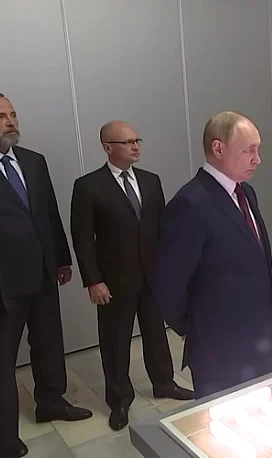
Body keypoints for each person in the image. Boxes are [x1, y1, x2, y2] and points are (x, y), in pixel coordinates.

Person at [70, 121, 194, 431]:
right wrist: (93, 280)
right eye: (127, 142)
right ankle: (119, 399)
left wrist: (169, 270)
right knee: (115, 341)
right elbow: (83, 239)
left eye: (137, 140)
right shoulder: (88, 186)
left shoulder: (151, 181)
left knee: (156, 334)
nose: (135, 146)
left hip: (152, 276)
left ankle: (164, 382)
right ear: (107, 147)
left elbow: (162, 228)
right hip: (113, 280)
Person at [153, 111, 272, 398]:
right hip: (219, 351)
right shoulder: (190, 204)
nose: (257, 159)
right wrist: (200, 328)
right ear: (218, 148)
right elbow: (168, 286)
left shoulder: (246, 193)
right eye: (249, 150)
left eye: (258, 150)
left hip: (259, 341)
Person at [0, 91, 92, 458]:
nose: (10, 122)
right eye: (0, 116)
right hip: (2, 283)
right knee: (0, 362)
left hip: (44, 273)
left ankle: (51, 401)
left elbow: (49, 213)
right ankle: (2, 437)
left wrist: (62, 259)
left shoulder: (34, 161)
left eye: (12, 114)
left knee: (49, 343)